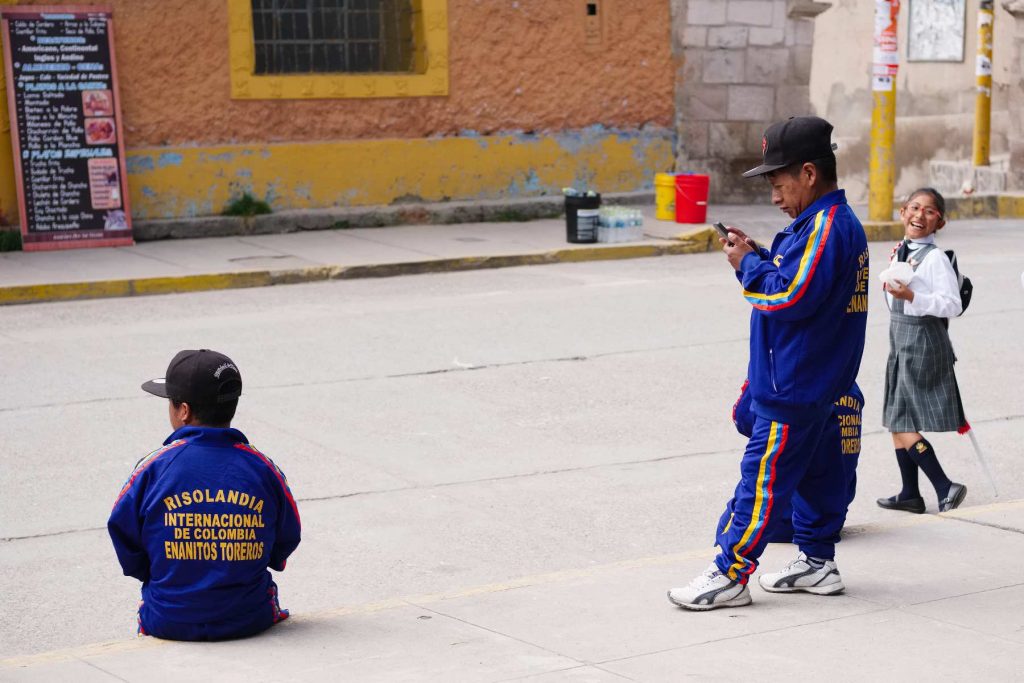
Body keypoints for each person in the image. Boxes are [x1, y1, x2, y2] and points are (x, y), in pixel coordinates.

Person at [667, 116, 869, 610]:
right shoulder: (825, 225)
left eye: (779, 185)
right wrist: (760, 253)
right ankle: (818, 563)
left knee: (760, 482)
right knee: (821, 478)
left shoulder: (826, 226)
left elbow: (791, 296)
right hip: (819, 382)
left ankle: (729, 574)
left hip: (796, 387)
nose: (775, 197)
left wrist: (747, 265)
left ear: (808, 173)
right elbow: (804, 282)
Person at [108, 349, 301, 640]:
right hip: (248, 617)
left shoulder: (153, 469)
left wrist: (166, 572)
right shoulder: (262, 468)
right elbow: (286, 538)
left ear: (183, 410)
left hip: (168, 619)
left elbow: (124, 536)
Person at [876, 188, 967, 514]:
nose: (919, 215)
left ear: (939, 221)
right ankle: (910, 493)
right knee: (895, 415)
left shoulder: (935, 259)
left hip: (922, 343)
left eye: (929, 211)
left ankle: (945, 486)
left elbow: (952, 304)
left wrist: (914, 299)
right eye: (914, 207)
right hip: (901, 339)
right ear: (902, 212)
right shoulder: (902, 250)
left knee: (900, 420)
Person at [726, 380, 863, 544]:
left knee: (730, 525)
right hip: (832, 517)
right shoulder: (848, 384)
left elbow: (744, 420)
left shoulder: (785, 377)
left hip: (783, 520)